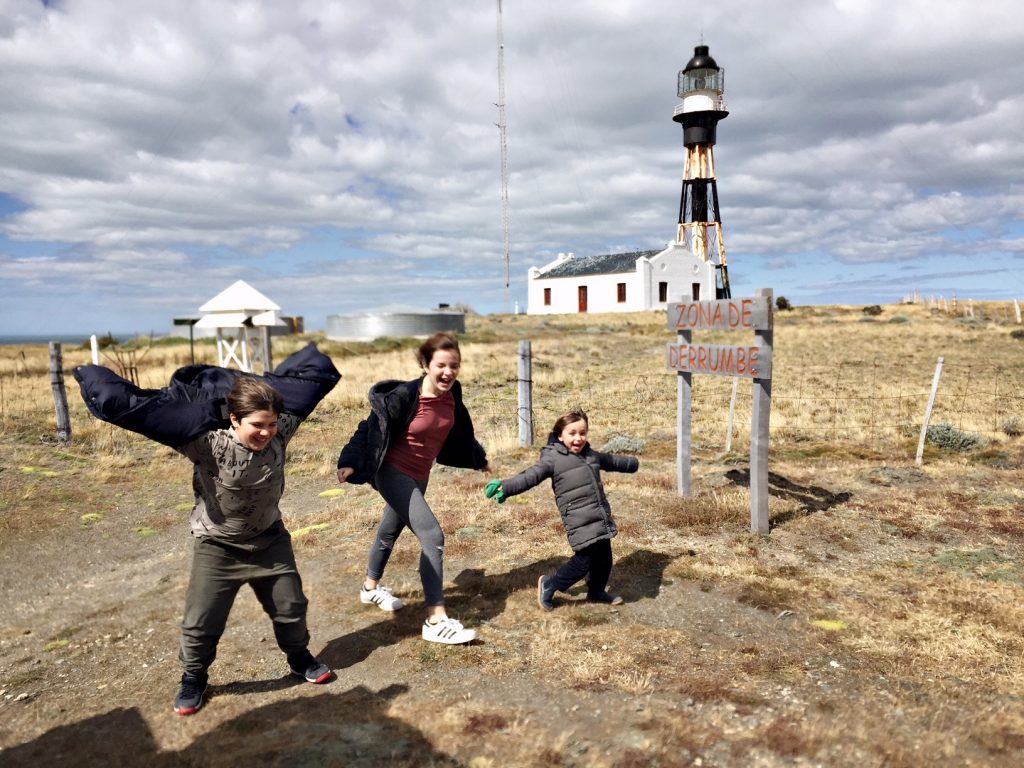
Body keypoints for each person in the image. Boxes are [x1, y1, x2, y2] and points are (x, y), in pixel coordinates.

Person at [73, 344, 341, 715]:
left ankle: (299, 658)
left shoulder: (282, 432)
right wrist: (88, 371)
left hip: (270, 541)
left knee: (291, 607)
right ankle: (194, 677)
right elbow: (128, 408)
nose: (266, 432)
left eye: (271, 423)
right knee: (201, 622)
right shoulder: (206, 443)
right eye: (257, 425)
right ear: (234, 420)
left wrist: (277, 379)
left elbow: (313, 379)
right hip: (218, 546)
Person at [336, 332, 489, 644]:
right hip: (392, 471)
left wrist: (478, 458)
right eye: (441, 365)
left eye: (455, 365)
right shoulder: (404, 397)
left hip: (420, 474)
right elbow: (369, 427)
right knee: (433, 535)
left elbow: (460, 431)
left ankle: (370, 588)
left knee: (390, 529)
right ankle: (436, 619)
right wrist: (350, 460)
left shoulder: (452, 393)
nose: (448, 372)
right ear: (425, 364)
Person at [484, 408, 639, 611]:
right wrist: (507, 486)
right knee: (583, 562)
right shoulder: (553, 458)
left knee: (604, 558)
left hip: (598, 517)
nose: (578, 438)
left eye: (582, 433)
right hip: (579, 520)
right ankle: (551, 584)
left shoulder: (590, 455)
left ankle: (596, 591)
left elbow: (611, 461)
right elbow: (531, 475)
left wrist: (632, 464)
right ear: (560, 435)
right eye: (572, 433)